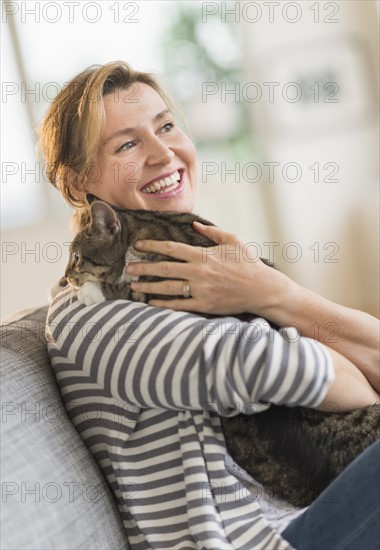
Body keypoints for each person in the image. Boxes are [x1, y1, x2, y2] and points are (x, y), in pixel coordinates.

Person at [41, 61, 379, 550]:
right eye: (127, 144)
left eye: (167, 126)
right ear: (77, 185)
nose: (164, 153)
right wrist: (271, 299)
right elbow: (286, 369)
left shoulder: (216, 272)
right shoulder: (83, 315)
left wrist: (277, 294)